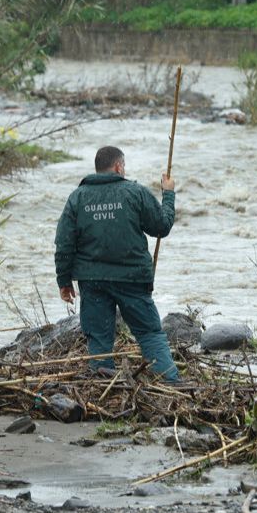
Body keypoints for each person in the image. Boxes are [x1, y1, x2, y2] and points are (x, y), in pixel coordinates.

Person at [54, 146, 180, 381]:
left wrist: (64, 281)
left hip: (92, 281)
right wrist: (168, 194)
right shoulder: (135, 193)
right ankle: (172, 384)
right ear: (119, 166)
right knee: (150, 334)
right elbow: (162, 227)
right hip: (132, 280)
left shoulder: (77, 198)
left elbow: (64, 244)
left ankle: (104, 390)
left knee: (99, 338)